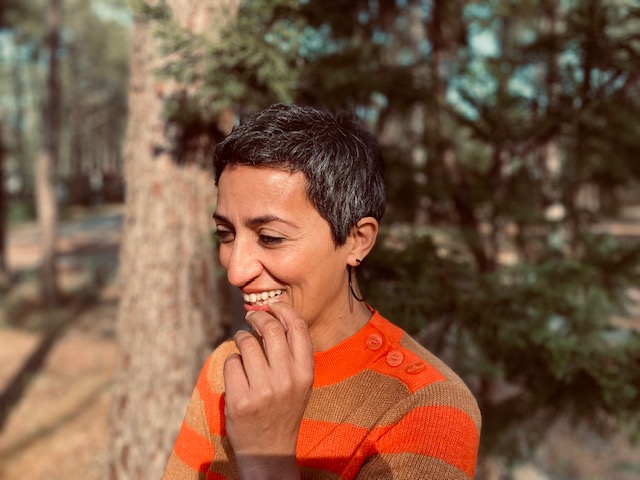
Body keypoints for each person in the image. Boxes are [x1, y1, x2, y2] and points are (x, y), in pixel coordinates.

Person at [162, 104, 481, 480]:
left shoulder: (427, 407)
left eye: (270, 237)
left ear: (357, 240)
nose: (236, 271)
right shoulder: (229, 368)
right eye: (226, 234)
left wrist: (266, 455)